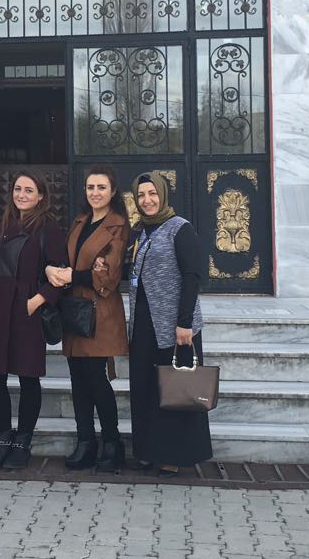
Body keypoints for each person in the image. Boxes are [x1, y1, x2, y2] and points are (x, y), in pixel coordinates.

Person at [0, 171, 69, 470]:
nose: (22, 195)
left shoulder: (48, 228)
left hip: (26, 310)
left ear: (41, 195)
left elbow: (60, 274)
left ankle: (23, 441)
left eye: (29, 190)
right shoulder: (3, 224)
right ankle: (3, 438)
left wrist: (36, 301)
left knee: (28, 377)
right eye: (18, 189)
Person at [123, 171, 211, 475]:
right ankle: (149, 452)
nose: (147, 200)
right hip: (143, 324)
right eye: (141, 195)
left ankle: (174, 456)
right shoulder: (139, 231)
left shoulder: (179, 228)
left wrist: (184, 322)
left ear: (162, 195)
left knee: (175, 391)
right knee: (146, 389)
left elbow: (192, 276)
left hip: (175, 326)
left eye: (152, 194)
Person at [46, 164, 129, 472]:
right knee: (78, 380)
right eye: (91, 187)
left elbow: (109, 273)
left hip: (99, 312)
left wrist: (75, 275)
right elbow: (71, 261)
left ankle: (112, 443)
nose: (95, 192)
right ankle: (85, 442)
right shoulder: (80, 221)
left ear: (113, 191)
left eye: (101, 187)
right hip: (73, 309)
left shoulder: (118, 225)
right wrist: (59, 271)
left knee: (96, 380)